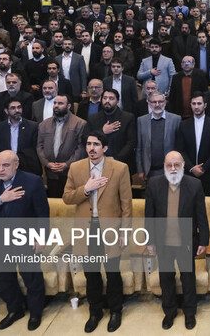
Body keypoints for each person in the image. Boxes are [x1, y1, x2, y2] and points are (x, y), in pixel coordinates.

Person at [63, 131, 133, 333]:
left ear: (105, 148)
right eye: (88, 144)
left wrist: (125, 232)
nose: (91, 148)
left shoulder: (119, 168)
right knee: (91, 273)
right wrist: (86, 188)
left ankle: (115, 311)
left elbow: (126, 205)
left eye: (96, 144)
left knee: (112, 272)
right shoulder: (76, 168)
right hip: (87, 230)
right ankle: (95, 312)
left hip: (110, 229)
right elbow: (67, 197)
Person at [0, 150, 49, 330]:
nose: (1, 169)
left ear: (16, 165)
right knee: (5, 279)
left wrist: (42, 238)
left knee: (32, 278)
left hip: (25, 240)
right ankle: (15, 310)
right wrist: (0, 199)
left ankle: (35, 313)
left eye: (5, 165)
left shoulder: (32, 182)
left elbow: (42, 214)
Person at [144, 151, 209, 330]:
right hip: (163, 242)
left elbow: (201, 215)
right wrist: (150, 241)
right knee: (166, 278)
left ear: (183, 165)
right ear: (164, 166)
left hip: (186, 241)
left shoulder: (195, 184)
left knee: (188, 278)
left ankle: (190, 313)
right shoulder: (154, 184)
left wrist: (204, 240)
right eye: (169, 165)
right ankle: (169, 312)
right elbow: (148, 216)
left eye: (176, 165)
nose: (173, 169)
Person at [177, 93, 210, 230]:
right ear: (190, 105)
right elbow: (181, 150)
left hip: (209, 174)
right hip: (189, 174)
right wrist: (191, 168)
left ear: (205, 105)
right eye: (194, 104)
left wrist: (203, 168)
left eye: (199, 104)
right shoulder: (183, 125)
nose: (196, 107)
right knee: (189, 208)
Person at [36, 95, 86, 197]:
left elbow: (81, 148)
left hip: (70, 172)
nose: (56, 106)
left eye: (60, 103)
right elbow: (39, 146)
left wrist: (67, 164)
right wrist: (47, 163)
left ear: (68, 106)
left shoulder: (80, 123)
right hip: (51, 172)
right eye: (55, 103)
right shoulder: (44, 124)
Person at [82, 89, 137, 171]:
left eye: (111, 98)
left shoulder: (128, 118)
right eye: (105, 98)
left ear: (117, 101)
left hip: (121, 163)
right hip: (97, 163)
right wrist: (102, 131)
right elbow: (84, 139)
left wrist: (116, 159)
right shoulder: (93, 118)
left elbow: (131, 142)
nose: (107, 101)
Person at [136, 92, 181, 182]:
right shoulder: (141, 120)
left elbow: (180, 146)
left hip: (171, 169)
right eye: (154, 102)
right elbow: (139, 148)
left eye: (160, 101)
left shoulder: (176, 119)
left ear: (165, 103)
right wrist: (140, 170)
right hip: (149, 170)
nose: (157, 105)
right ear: (149, 103)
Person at [0, 97, 41, 175]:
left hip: (27, 168)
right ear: (6, 111)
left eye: (19, 107)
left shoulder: (32, 126)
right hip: (5, 167)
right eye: (13, 108)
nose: (17, 110)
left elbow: (34, 150)